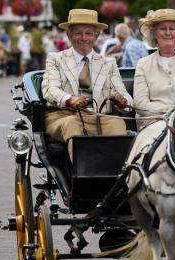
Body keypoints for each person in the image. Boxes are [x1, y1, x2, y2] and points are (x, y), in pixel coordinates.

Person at [42, 9, 133, 160]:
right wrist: (70, 99)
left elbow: (126, 97)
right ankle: (82, 179)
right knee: (73, 125)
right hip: (63, 116)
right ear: (69, 35)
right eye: (78, 33)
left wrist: (123, 102)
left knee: (118, 124)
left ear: (97, 36)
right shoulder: (55, 59)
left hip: (99, 117)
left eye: (89, 33)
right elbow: (49, 89)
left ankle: (115, 178)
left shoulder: (108, 64)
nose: (84, 38)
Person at [125, 9, 175, 187]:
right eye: (163, 28)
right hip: (152, 122)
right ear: (154, 34)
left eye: (172, 28)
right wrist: (169, 111)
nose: (168, 32)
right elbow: (140, 103)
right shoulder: (143, 64)